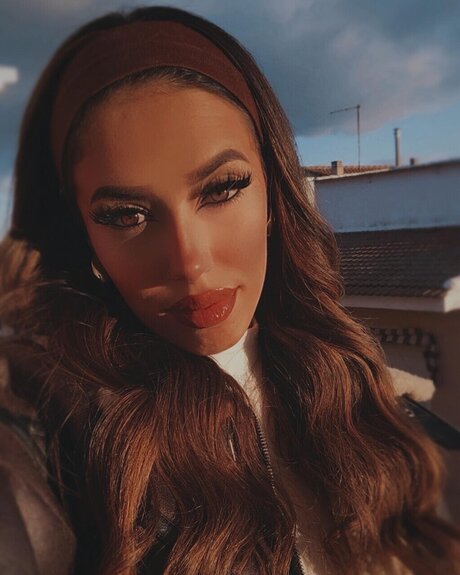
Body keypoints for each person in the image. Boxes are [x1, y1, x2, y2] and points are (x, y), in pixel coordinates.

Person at [0, 6, 459, 575]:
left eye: (221, 189)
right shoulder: (54, 435)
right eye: (127, 215)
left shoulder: (372, 399)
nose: (189, 262)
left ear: (272, 191)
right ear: (82, 236)